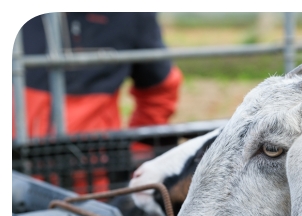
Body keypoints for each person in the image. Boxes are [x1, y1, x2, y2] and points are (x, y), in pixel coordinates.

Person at [16, 12, 182, 138]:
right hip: (16, 169)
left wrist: (139, 151)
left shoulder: (130, 14)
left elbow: (159, 92)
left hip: (95, 172)